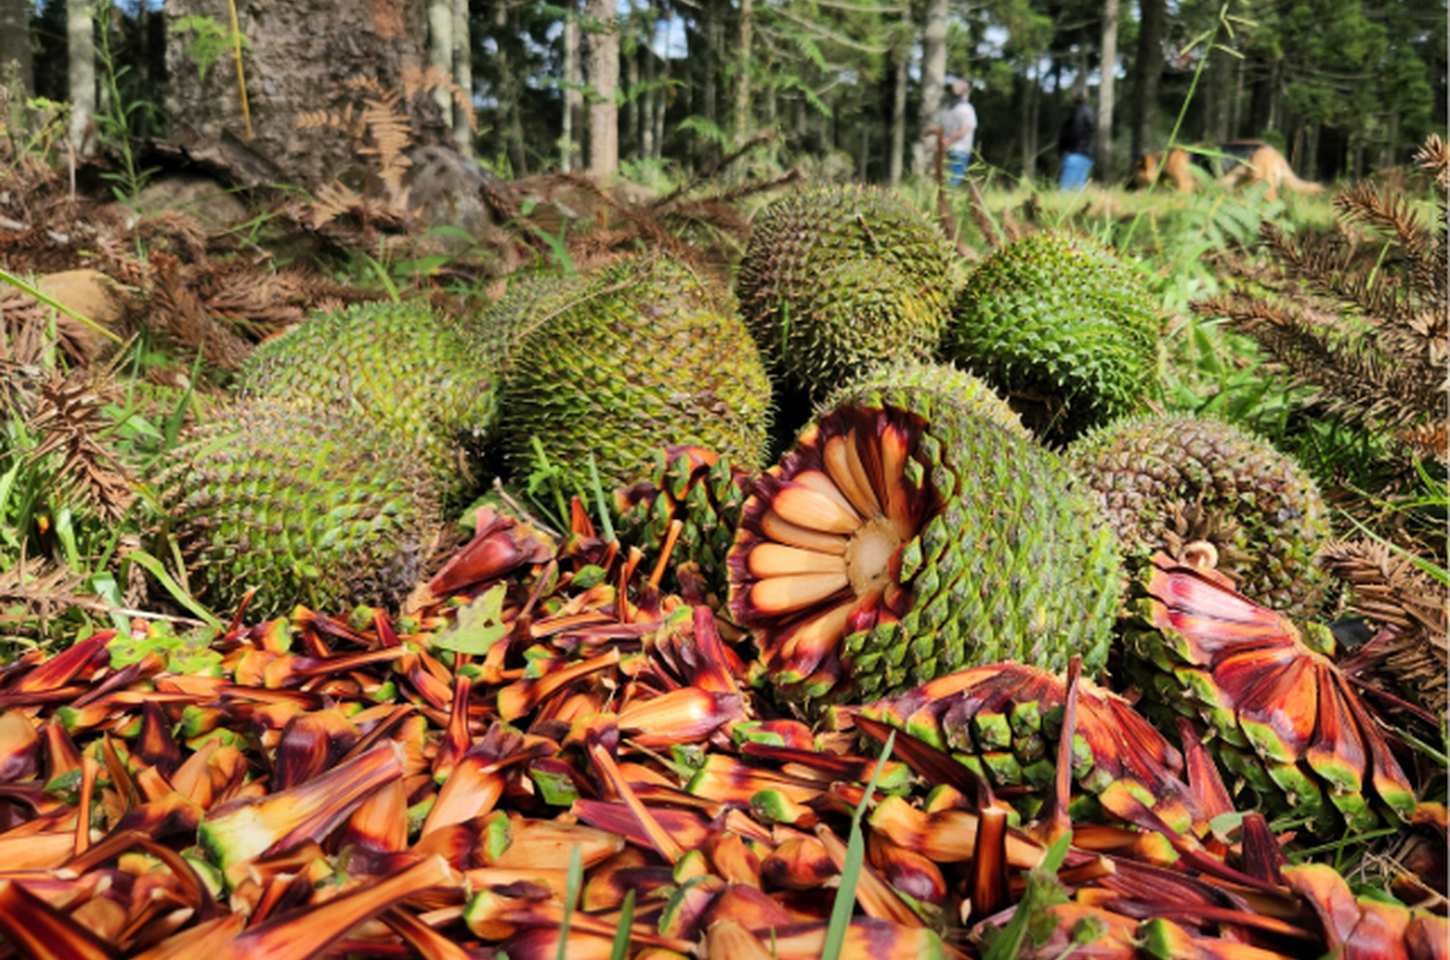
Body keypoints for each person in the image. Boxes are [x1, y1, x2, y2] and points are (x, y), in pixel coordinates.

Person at [939, 78, 977, 187]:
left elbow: (941, 128)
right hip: (961, 150)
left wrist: (945, 142)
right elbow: (965, 129)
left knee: (945, 179)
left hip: (947, 149)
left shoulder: (946, 109)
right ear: (967, 91)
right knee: (954, 182)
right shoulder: (967, 109)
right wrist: (949, 140)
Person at [1058, 92, 1096, 190]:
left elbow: (1070, 134)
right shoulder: (1090, 112)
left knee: (1065, 191)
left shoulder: (1075, 114)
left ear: (1074, 99)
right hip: (1087, 156)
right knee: (1078, 190)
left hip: (1074, 155)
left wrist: (1061, 149)